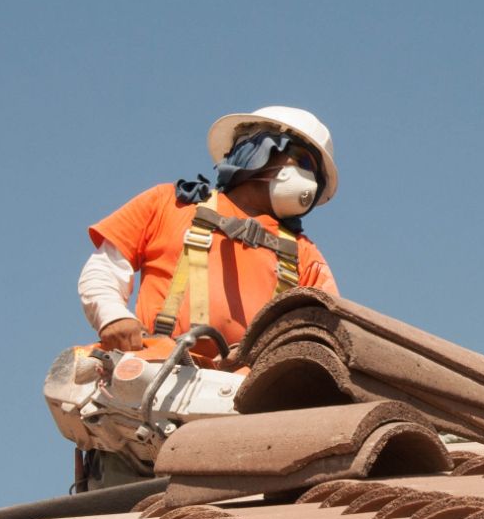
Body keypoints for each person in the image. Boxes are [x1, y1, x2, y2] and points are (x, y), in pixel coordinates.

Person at [74, 106, 341, 487]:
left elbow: (325, 337)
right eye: (299, 160)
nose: (307, 180)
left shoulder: (303, 254)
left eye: (313, 170)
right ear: (259, 148)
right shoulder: (170, 204)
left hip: (240, 417)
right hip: (147, 400)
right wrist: (113, 316)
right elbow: (103, 269)